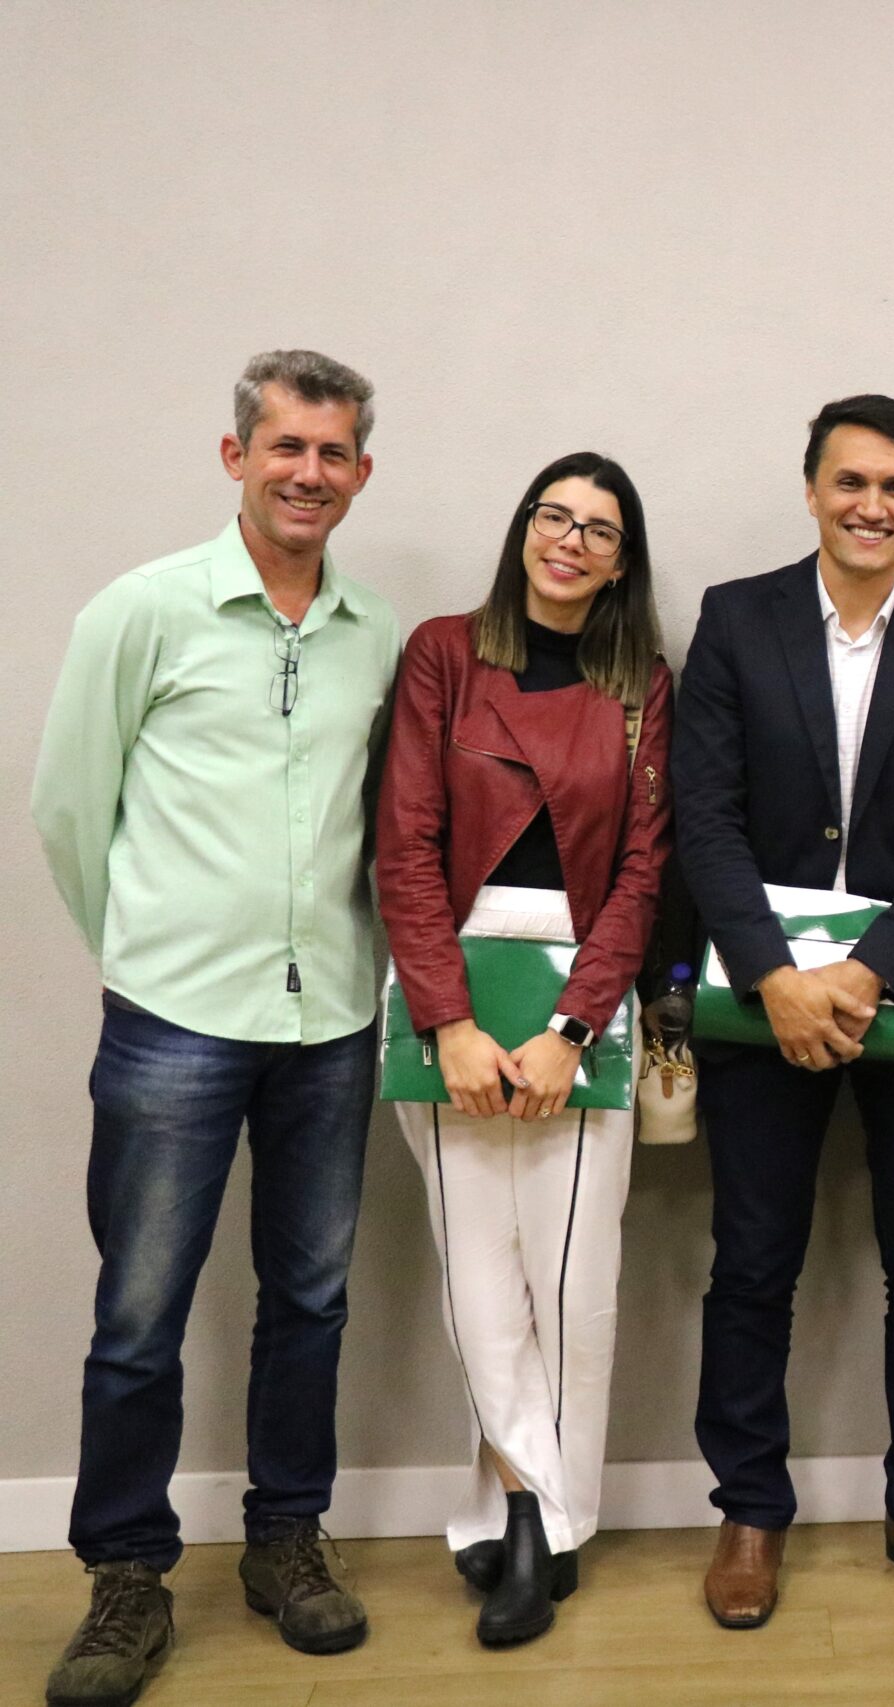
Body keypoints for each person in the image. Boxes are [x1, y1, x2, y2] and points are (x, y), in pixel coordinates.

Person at [33, 351, 395, 1705]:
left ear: (363, 473)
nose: (309, 472)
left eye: (335, 452)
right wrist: (147, 948)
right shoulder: (145, 611)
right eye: (286, 446)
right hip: (176, 1019)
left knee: (310, 1300)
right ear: (234, 454)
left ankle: (287, 1540)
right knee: (139, 1312)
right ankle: (126, 1577)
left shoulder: (381, 637)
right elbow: (73, 807)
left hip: (334, 1024)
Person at [672, 393, 894, 1624]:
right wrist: (775, 978)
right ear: (812, 488)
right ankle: (750, 1514)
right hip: (762, 1002)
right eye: (852, 482)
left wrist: (864, 974)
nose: (874, 506)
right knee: (753, 1263)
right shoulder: (735, 618)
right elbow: (701, 818)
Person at [373, 452, 673, 1647]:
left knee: (573, 1289)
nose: (571, 540)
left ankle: (529, 1520)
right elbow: (404, 843)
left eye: (599, 529)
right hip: (449, 987)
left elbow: (646, 872)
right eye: (554, 516)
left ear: (620, 559)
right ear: (523, 530)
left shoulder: (643, 683)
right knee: (479, 1285)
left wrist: (569, 1031)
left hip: (579, 1000)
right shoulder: (446, 654)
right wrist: (449, 1020)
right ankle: (536, 1524)